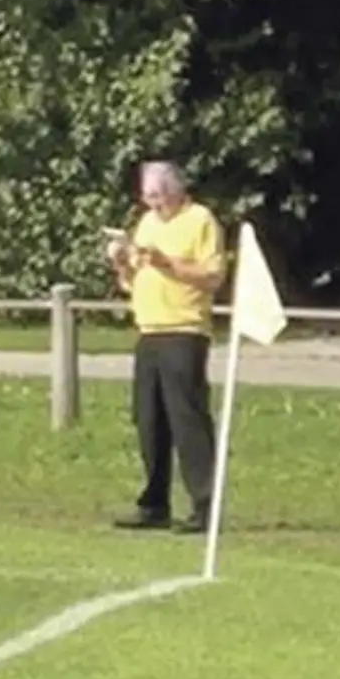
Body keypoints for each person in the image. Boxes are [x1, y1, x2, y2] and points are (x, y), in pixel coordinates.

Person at [109, 161, 227, 534]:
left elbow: (211, 276)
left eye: (158, 197)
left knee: (187, 419)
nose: (153, 205)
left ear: (177, 191)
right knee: (149, 419)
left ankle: (206, 504)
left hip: (183, 330)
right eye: (147, 198)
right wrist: (120, 265)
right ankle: (154, 502)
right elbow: (132, 280)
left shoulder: (200, 220)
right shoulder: (147, 224)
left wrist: (166, 263)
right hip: (149, 330)